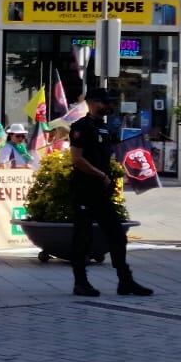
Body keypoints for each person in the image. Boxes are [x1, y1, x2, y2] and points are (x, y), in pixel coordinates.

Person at [68, 88, 152, 299]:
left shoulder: (104, 128)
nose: (109, 106)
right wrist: (99, 175)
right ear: (92, 103)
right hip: (84, 189)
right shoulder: (81, 127)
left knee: (116, 235)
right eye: (105, 102)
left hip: (101, 191)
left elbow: (110, 155)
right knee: (82, 237)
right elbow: (76, 159)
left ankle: (125, 281)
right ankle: (81, 283)